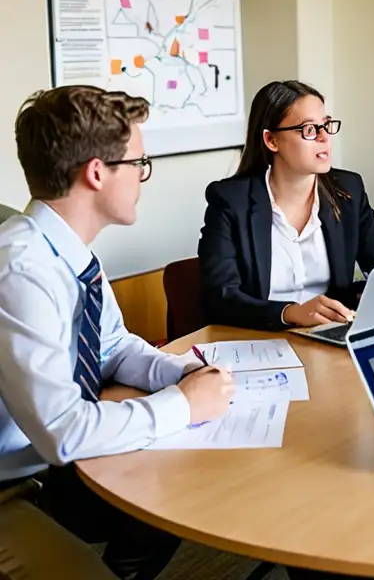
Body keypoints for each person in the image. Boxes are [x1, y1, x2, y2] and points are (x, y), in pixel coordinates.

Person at [0, 86, 236, 579]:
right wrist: (185, 405)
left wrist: (181, 374)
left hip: (54, 469)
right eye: (139, 163)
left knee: (183, 491)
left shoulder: (69, 251)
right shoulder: (20, 271)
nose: (143, 178)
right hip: (12, 489)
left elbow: (112, 346)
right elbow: (63, 434)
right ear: (96, 172)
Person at [198, 80, 374, 330]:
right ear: (272, 140)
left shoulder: (347, 191)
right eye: (309, 130)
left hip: (329, 336)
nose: (324, 138)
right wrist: (290, 313)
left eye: (326, 125)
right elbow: (221, 297)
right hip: (260, 340)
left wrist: (368, 293)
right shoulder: (230, 200)